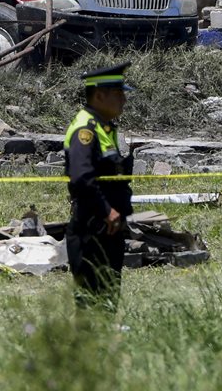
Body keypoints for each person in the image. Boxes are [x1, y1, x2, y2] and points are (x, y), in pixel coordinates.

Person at [63, 61, 135, 310]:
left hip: (107, 232)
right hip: (91, 231)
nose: (124, 100)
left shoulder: (105, 129)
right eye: (118, 94)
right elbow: (81, 178)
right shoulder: (86, 130)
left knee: (106, 306)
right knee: (92, 307)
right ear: (100, 95)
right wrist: (108, 211)